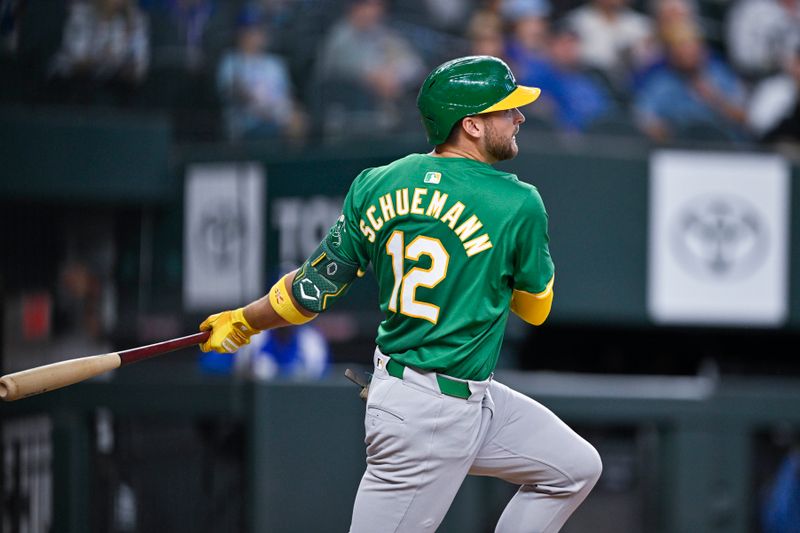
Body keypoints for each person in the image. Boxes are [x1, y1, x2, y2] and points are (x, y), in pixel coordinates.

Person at [198, 55, 602, 532]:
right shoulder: (517, 201)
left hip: (456, 396)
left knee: (575, 469)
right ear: (470, 125)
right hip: (428, 415)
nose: (520, 117)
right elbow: (536, 310)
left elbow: (309, 291)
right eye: (506, 109)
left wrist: (245, 320)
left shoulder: (376, 182)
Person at [633, 24, 748, 142]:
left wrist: (715, 99)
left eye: (692, 49)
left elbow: (744, 118)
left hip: (724, 148)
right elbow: (644, 118)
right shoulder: (660, 83)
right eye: (680, 49)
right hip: (679, 148)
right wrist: (664, 132)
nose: (687, 55)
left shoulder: (721, 75)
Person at [216, 5, 304, 141]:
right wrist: (265, 110)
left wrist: (291, 112)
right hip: (248, 122)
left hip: (279, 117)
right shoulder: (231, 62)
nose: (257, 36)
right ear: (241, 34)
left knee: (301, 121)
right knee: (275, 129)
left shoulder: (275, 63)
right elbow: (234, 93)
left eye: (259, 30)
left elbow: (288, 97)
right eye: (251, 31)